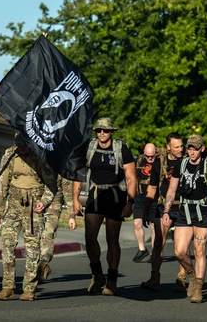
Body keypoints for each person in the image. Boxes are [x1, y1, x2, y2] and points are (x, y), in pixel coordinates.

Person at [72, 117, 137, 296]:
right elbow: (79, 173)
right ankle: (97, 274)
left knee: (112, 239)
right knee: (90, 237)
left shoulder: (120, 148)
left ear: (112, 132)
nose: (102, 133)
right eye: (99, 130)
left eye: (106, 131)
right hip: (95, 195)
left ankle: (112, 280)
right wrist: (75, 199)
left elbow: (131, 177)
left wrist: (130, 202)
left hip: (116, 195)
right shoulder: (90, 147)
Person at [0, 134, 56, 301]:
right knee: (7, 243)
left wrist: (44, 201)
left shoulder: (40, 155)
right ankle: (7, 286)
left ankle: (29, 288)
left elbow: (51, 183)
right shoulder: (10, 154)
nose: (21, 148)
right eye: (18, 144)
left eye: (24, 145)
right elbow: (2, 183)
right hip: (13, 204)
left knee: (32, 247)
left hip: (33, 205)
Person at [161, 134, 207, 303]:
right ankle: (192, 276)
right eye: (189, 148)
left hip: (203, 212)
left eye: (195, 148)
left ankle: (199, 289)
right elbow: (171, 191)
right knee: (179, 252)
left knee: (199, 251)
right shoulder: (181, 164)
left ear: (202, 149)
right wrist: (166, 212)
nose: (191, 151)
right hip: (185, 210)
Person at [139, 131, 184, 292]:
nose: (180, 149)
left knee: (181, 248)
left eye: (181, 146)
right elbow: (152, 187)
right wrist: (146, 210)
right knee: (158, 243)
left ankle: (181, 278)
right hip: (163, 205)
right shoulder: (160, 161)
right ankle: (154, 277)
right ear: (168, 147)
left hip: (183, 206)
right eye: (176, 147)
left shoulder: (186, 161)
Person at [39, 174, 76, 283]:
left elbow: (68, 193)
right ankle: (35, 268)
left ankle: (43, 265)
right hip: (36, 204)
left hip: (53, 206)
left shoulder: (61, 168)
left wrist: (71, 216)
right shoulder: (37, 163)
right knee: (35, 237)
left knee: (47, 235)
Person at [132, 143, 157, 262]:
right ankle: (142, 249)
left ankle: (154, 252)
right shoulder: (139, 161)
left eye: (152, 156)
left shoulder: (160, 162)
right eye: (148, 156)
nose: (150, 159)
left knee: (154, 226)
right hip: (141, 197)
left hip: (155, 199)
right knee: (137, 223)